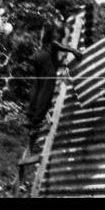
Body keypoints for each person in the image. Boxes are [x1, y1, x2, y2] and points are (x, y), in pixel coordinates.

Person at [27, 24, 83, 153]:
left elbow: (56, 54)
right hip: (45, 58)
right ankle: (35, 123)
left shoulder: (46, 38)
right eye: (58, 34)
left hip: (38, 56)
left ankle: (31, 115)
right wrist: (74, 51)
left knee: (37, 85)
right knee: (46, 91)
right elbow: (58, 45)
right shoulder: (53, 38)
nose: (59, 36)